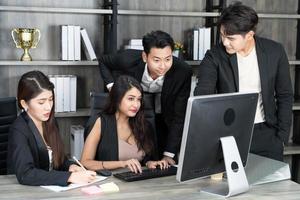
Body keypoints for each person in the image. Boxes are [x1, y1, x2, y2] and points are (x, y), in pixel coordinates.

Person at [194, 2, 293, 161]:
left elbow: (285, 95)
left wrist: (281, 136)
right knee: (231, 184)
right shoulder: (214, 55)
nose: (225, 42)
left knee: (270, 185)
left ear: (249, 35)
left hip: (267, 134)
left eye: (231, 38)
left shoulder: (275, 51)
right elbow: (203, 95)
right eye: (222, 35)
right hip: (228, 134)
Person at [99, 30, 193, 165]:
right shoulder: (128, 59)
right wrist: (112, 87)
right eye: (156, 60)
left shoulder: (183, 72)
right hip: (135, 115)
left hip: (164, 116)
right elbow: (103, 61)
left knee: (163, 162)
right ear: (145, 56)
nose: (162, 66)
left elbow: (179, 116)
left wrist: (168, 154)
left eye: (168, 59)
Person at [7, 70, 96, 186]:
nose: (48, 107)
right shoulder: (19, 130)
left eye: (51, 99)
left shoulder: (50, 122)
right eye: (41, 102)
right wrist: (69, 177)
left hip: (50, 190)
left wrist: (70, 166)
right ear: (24, 104)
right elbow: (26, 174)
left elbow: (58, 160)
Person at [81, 75, 169, 173]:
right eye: (131, 99)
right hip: (110, 183)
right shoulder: (101, 122)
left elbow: (146, 159)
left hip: (138, 182)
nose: (136, 105)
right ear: (117, 99)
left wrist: (149, 163)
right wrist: (122, 163)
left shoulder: (144, 124)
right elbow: (85, 162)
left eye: (139, 99)